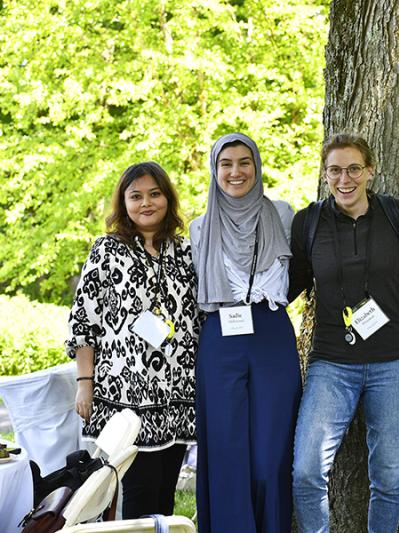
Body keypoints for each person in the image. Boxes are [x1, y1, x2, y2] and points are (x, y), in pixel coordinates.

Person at [289, 133, 399, 533]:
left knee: (388, 477)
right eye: (335, 170)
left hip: (395, 361)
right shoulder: (308, 222)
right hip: (332, 362)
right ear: (325, 174)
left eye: (353, 169)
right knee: (306, 472)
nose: (344, 179)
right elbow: (287, 287)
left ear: (370, 171)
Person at [67, 161, 198, 519]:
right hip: (128, 397)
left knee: (165, 495)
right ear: (123, 203)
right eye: (136, 196)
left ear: (168, 199)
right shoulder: (107, 250)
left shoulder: (186, 252)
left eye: (155, 194)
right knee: (138, 494)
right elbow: (84, 319)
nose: (146, 203)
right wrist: (84, 382)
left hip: (176, 396)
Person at [191, 133, 300, 533]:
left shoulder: (284, 214)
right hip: (221, 337)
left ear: (256, 166)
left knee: (271, 452)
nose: (235, 172)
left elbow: (301, 273)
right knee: (226, 450)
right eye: (226, 164)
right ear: (214, 170)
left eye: (244, 162)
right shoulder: (199, 227)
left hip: (271, 334)